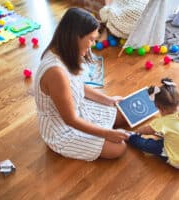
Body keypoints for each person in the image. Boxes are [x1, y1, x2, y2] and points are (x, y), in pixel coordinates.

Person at [34, 8, 129, 162]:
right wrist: (106, 133)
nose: (92, 44)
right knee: (119, 148)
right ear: (75, 37)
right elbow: (70, 119)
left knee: (125, 113)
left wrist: (108, 100)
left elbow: (79, 85)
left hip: (79, 107)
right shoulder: (56, 72)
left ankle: (105, 125)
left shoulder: (67, 53)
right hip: (62, 129)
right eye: (91, 39)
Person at [127, 78, 179, 169]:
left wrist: (137, 131)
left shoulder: (162, 122)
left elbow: (147, 130)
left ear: (161, 109)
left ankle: (130, 138)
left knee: (149, 145)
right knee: (172, 135)